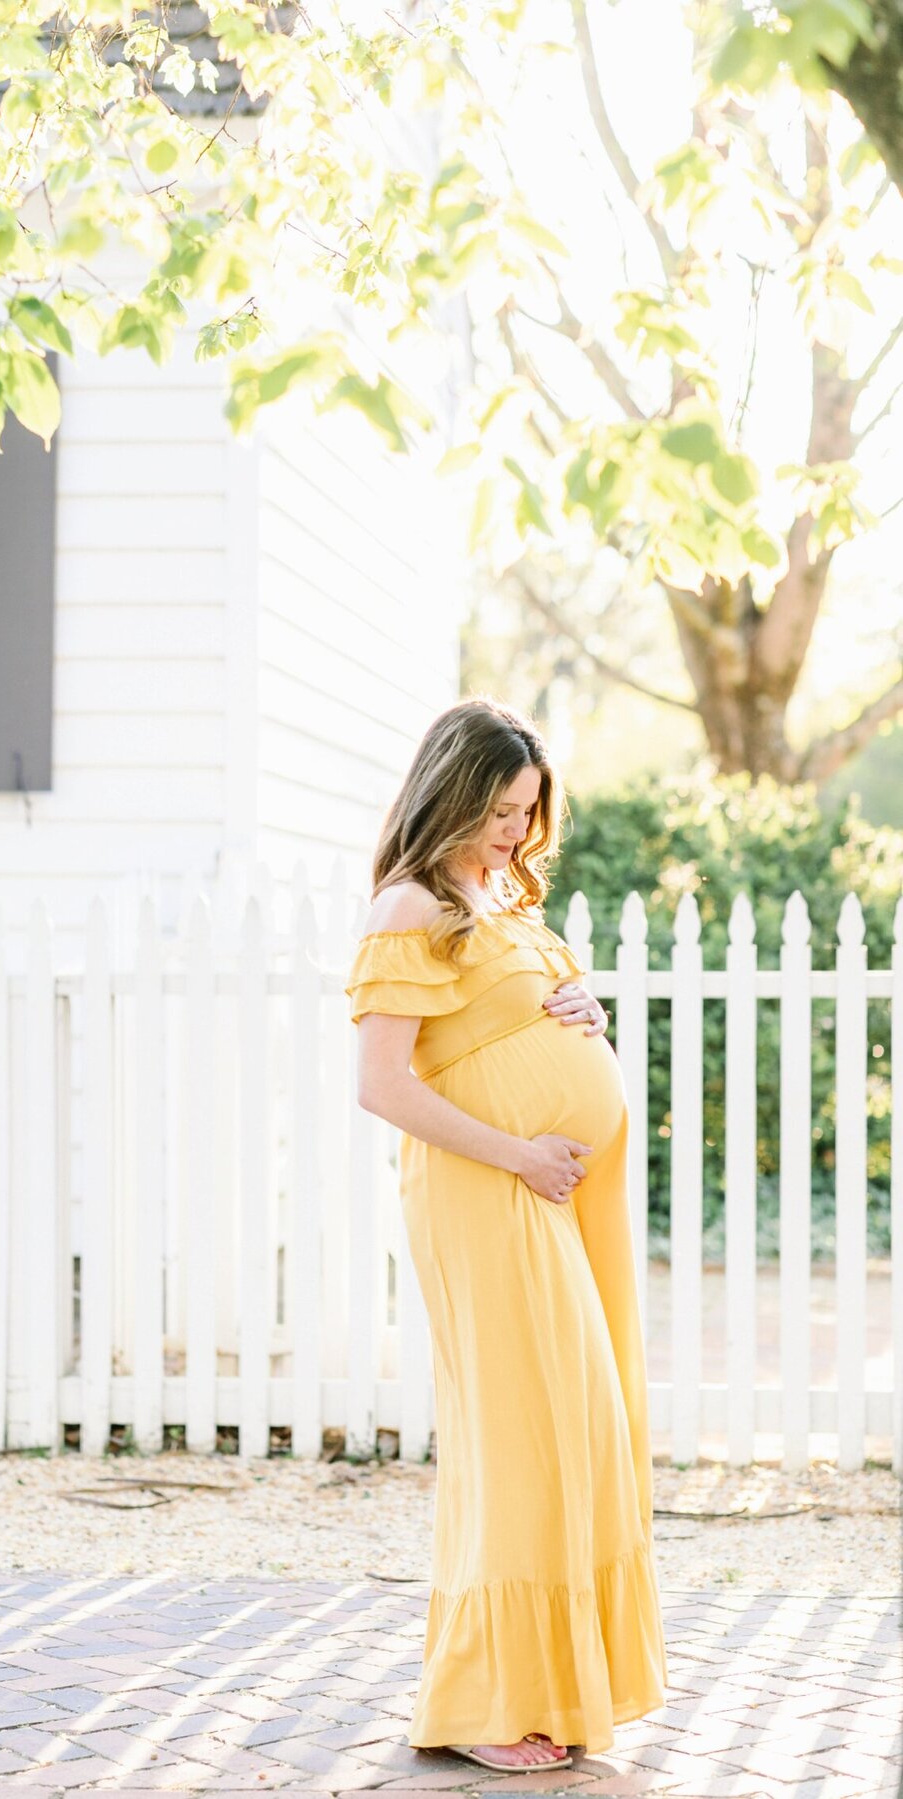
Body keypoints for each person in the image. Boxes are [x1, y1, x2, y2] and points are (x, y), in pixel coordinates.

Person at [345, 696, 668, 1774]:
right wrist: (521, 1151)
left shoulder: (506, 898)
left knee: (578, 1423)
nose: (516, 832)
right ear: (451, 793)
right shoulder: (409, 906)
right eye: (499, 811)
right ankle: (482, 1695)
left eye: (530, 812)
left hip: (552, 1193)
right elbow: (382, 1085)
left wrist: (585, 1013)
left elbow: (527, 1018)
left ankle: (549, 1681)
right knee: (524, 1438)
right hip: (488, 1194)